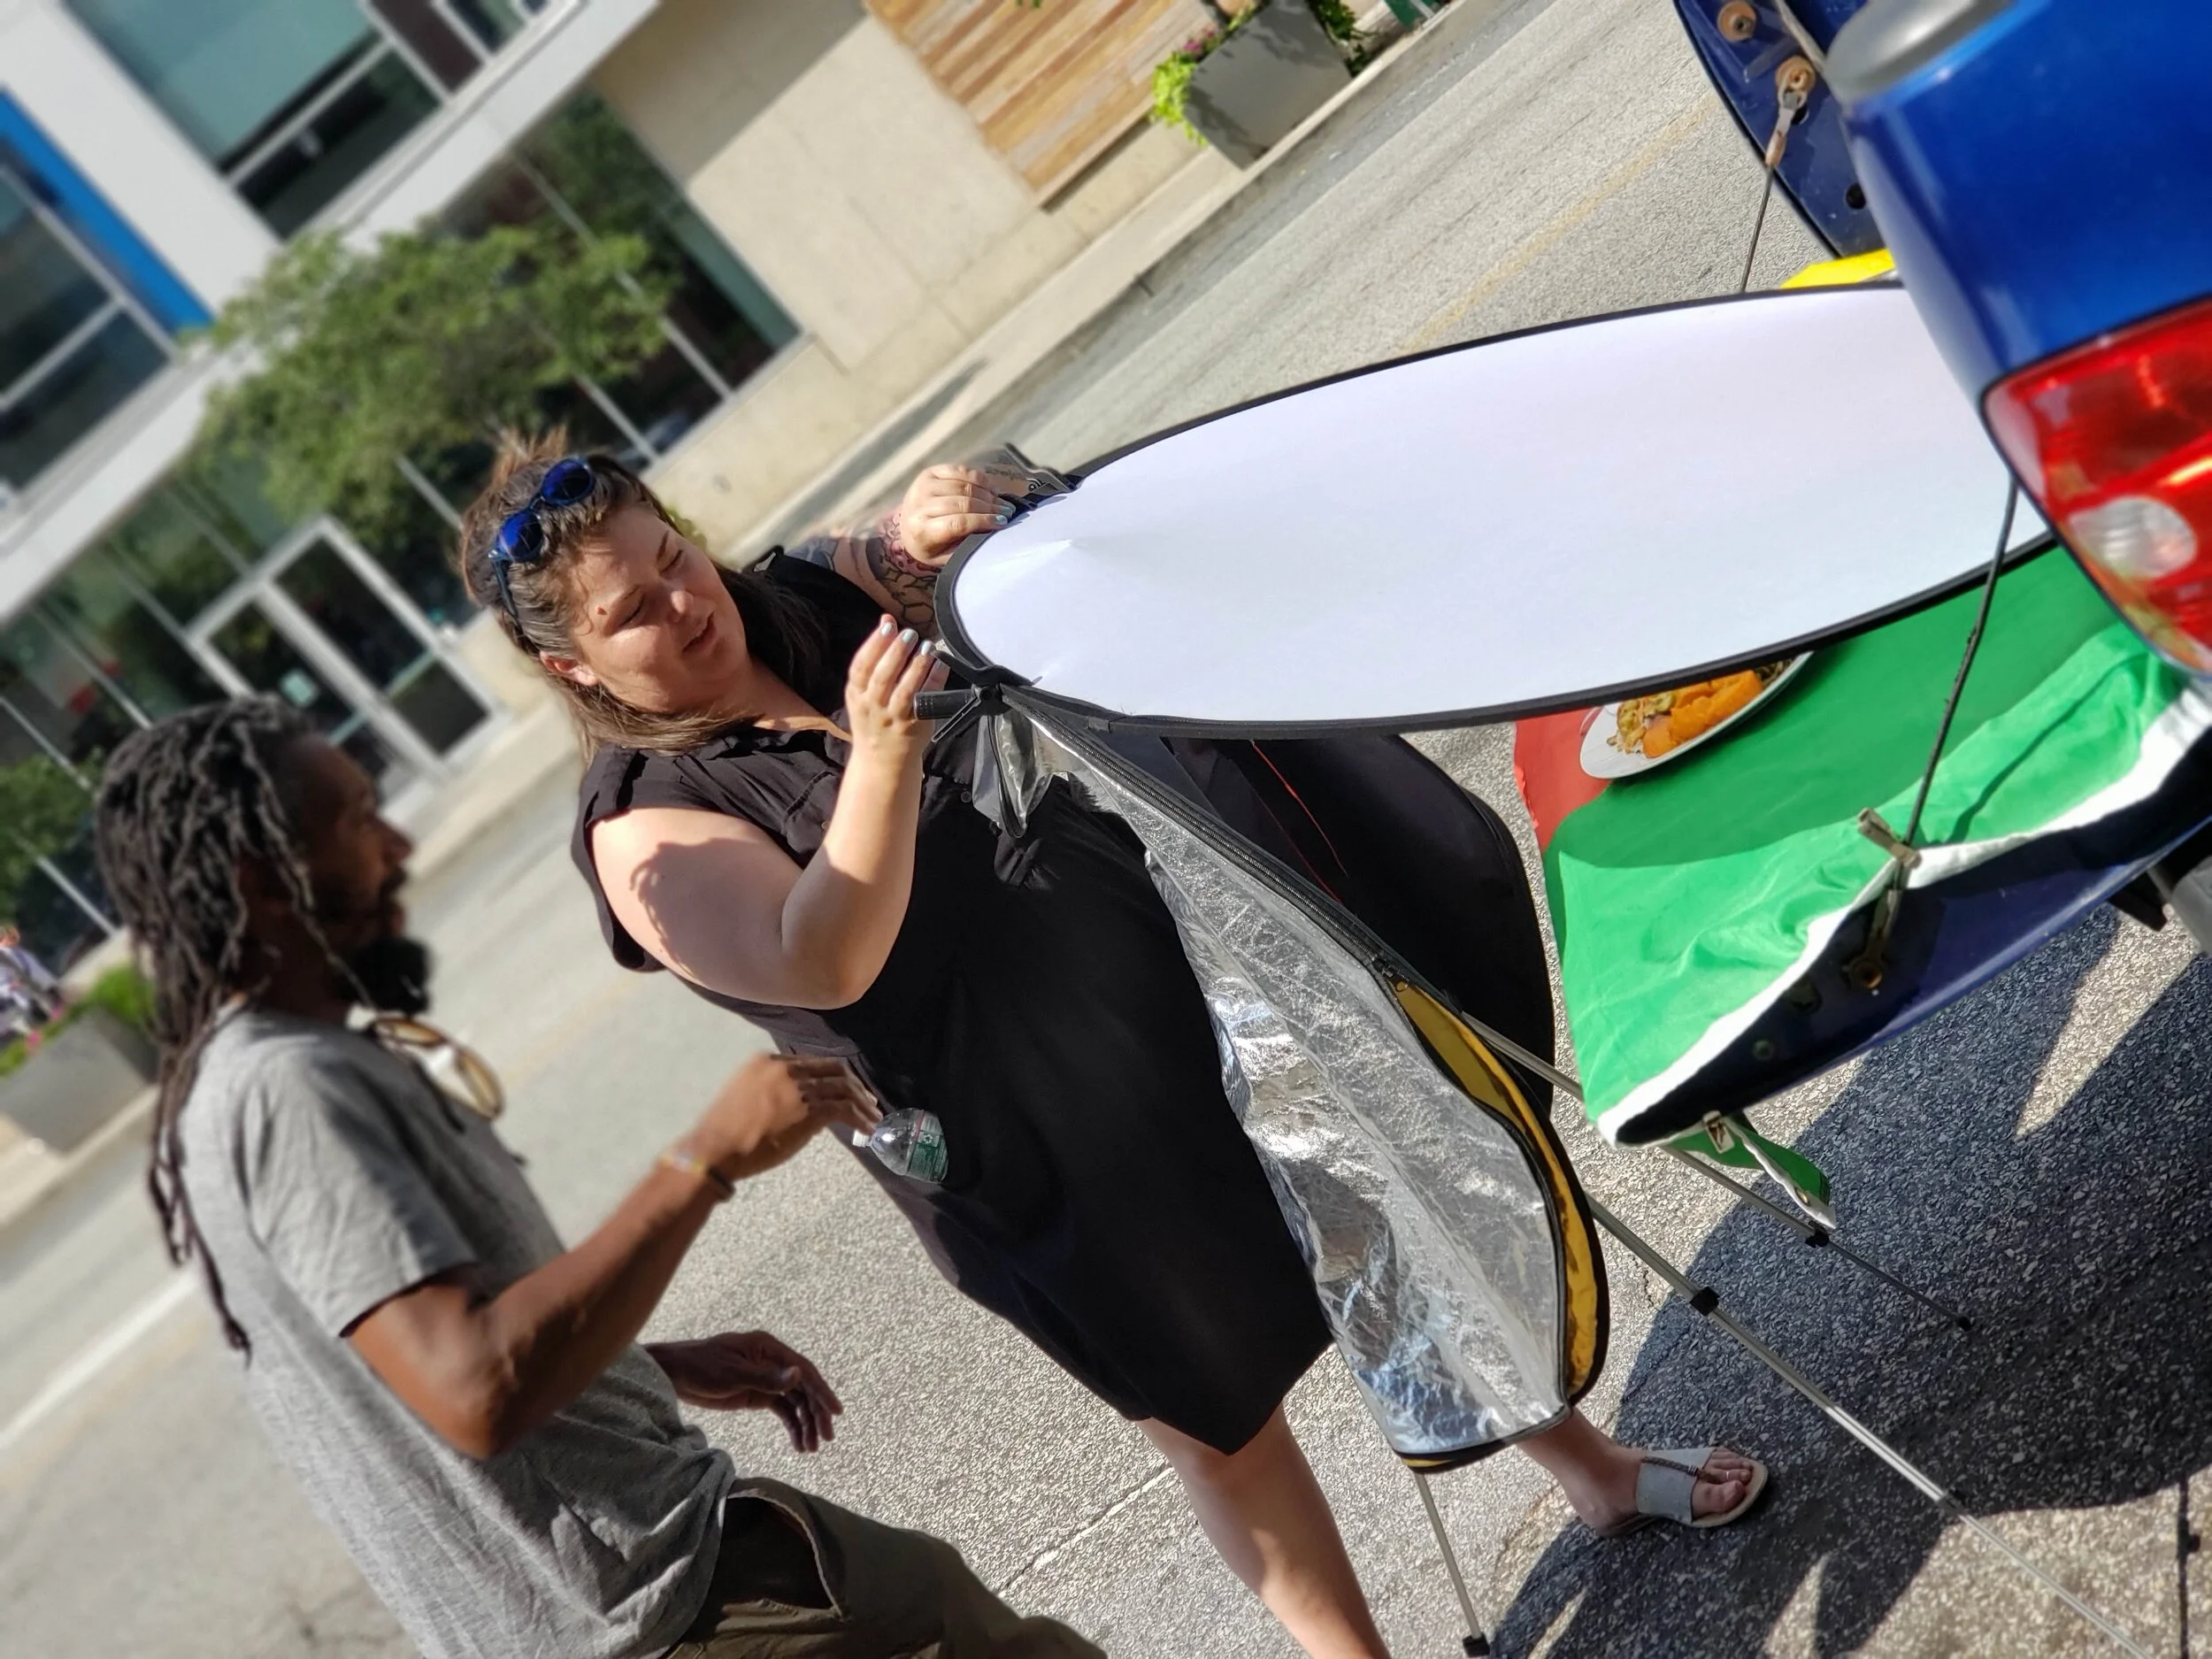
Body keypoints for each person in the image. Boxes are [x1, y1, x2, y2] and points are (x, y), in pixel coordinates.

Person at [457, 442, 1769, 1659]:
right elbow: (821, 957)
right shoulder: (644, 828)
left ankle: (1589, 1470)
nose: (685, 603)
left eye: (673, 556)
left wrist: (923, 526)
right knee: (1219, 1418)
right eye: (632, 611)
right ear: (574, 667)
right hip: (1019, 1136)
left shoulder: (783, 598)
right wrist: (884, 760)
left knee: (1382, 1210)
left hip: (1158, 987)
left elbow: (892, 553)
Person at [90, 697, 1102, 1659]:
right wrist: (703, 1161)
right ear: (265, 881)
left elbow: (415, 1377)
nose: (396, 847)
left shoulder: (234, 1089)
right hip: (665, 1606)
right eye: (357, 821)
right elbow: (473, 1390)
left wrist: (634, 1368)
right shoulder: (290, 1089)